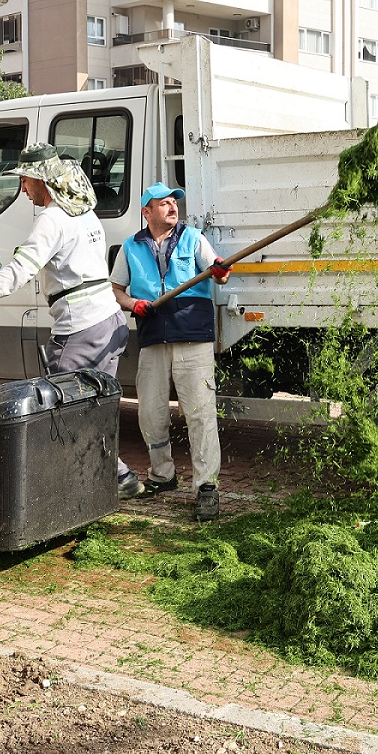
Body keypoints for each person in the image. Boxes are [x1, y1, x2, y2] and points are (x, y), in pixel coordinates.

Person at [0, 143, 143, 498]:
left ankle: (85, 487)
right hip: (110, 321)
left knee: (59, 409)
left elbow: (19, 272)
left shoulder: (51, 219)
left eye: (26, 180)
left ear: (42, 180)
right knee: (95, 407)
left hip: (81, 328)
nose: (23, 188)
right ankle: (114, 478)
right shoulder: (83, 211)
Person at [111, 181, 232, 522]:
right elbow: (115, 289)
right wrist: (132, 304)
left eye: (174, 202)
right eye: (163, 203)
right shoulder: (130, 247)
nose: (173, 207)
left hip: (193, 336)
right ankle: (162, 475)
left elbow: (219, 275)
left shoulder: (194, 238)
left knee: (200, 413)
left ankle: (207, 486)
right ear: (146, 212)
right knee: (150, 414)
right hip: (153, 337)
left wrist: (221, 271)